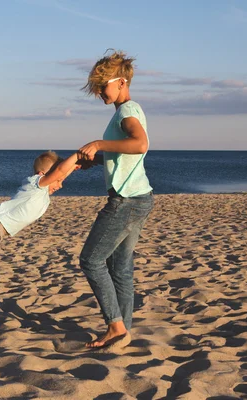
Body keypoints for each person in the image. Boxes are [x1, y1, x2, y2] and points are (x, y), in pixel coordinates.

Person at [77, 50, 154, 350]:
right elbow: (126, 153)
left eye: (102, 86)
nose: (98, 92)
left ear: (121, 82)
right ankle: (125, 331)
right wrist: (98, 159)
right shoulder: (125, 111)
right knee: (120, 267)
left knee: (91, 261)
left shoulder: (127, 111)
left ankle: (115, 327)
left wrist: (98, 143)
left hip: (126, 201)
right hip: (140, 197)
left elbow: (140, 144)